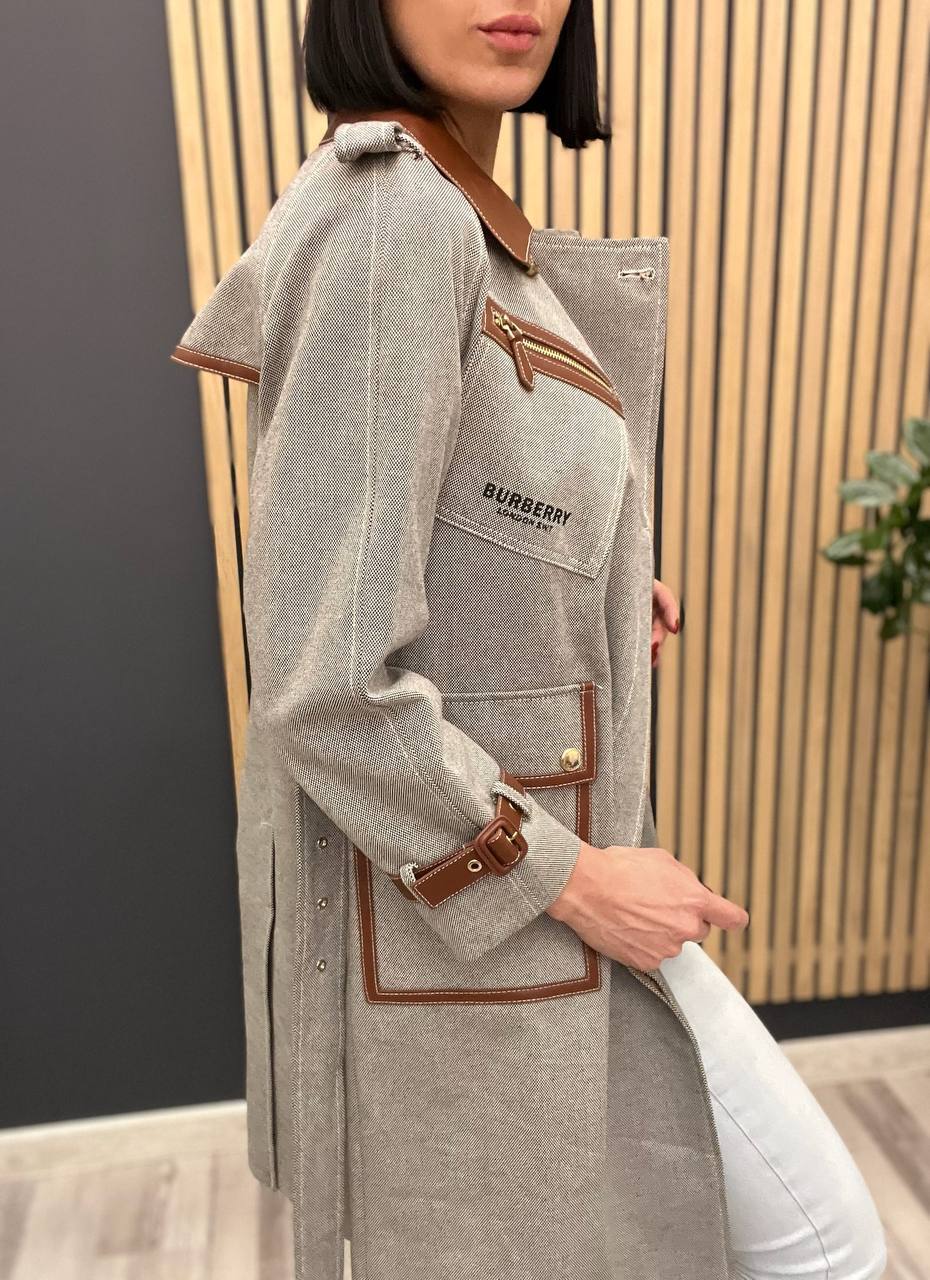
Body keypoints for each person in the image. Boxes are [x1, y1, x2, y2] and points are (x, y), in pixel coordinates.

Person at [170, 2, 888, 1277]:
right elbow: (329, 682)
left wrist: (587, 590)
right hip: (489, 895)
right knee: (822, 1239)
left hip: (499, 900)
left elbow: (437, 520)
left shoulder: (458, 214)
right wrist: (578, 879)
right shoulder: (395, 216)